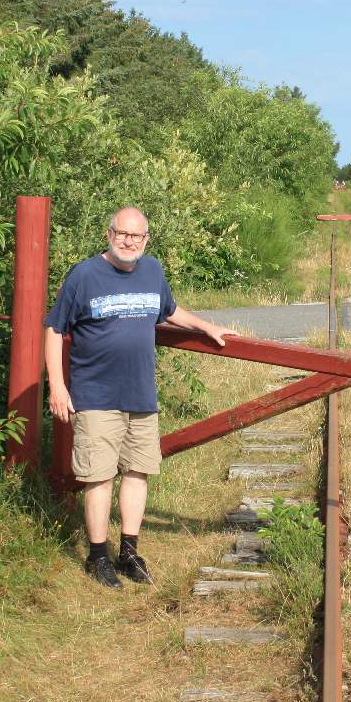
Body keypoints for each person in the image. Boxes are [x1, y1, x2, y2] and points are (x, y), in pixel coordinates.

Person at [44, 207, 236, 588]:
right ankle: (98, 556)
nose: (129, 241)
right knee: (98, 477)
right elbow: (53, 329)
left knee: (137, 472)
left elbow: (170, 309)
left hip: (141, 394)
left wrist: (206, 326)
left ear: (146, 239)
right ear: (109, 234)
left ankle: (129, 551)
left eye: (137, 236)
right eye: (122, 234)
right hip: (95, 394)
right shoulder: (84, 276)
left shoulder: (152, 270)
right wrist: (57, 385)